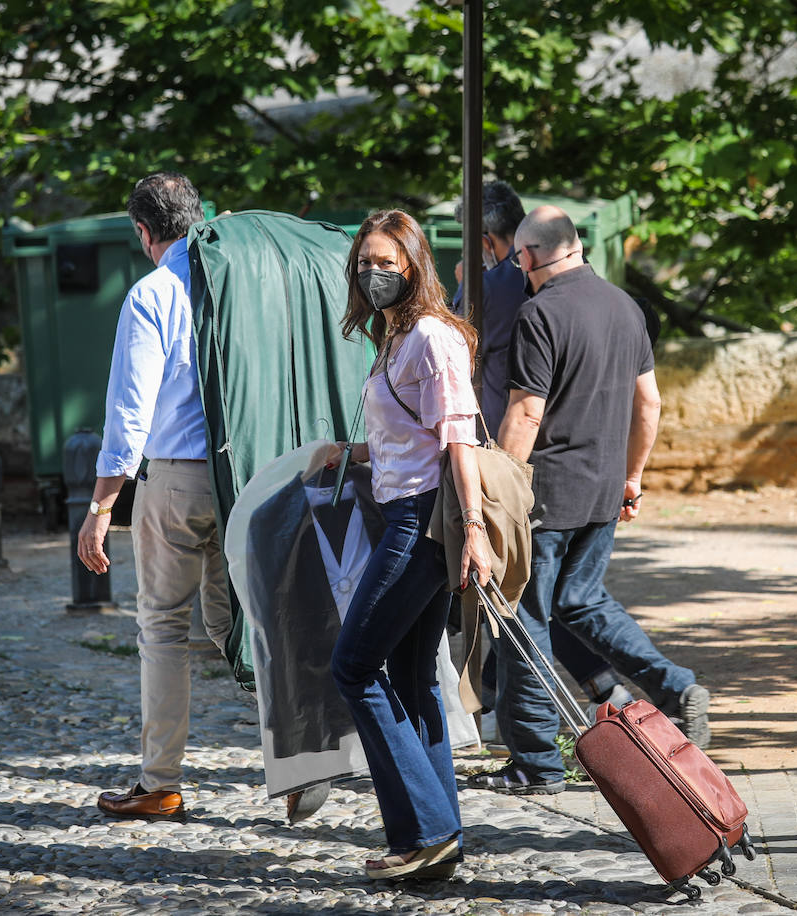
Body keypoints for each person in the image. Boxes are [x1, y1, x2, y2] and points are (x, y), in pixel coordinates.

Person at [468, 205, 710, 796]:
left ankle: (536, 763)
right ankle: (676, 684)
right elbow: (648, 403)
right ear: (576, 247)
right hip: (603, 489)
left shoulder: (539, 312)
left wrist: (496, 487)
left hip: (546, 491)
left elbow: (526, 411)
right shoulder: (625, 307)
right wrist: (632, 477)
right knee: (581, 601)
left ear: (525, 257)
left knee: (524, 621)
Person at [325, 209, 491, 880]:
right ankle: (432, 838)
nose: (372, 274)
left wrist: (474, 530)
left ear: (413, 267)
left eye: (386, 264)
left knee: (353, 668)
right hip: (404, 510)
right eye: (365, 263)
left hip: (422, 524)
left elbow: (460, 440)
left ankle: (426, 828)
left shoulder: (431, 337)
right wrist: (346, 453)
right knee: (413, 678)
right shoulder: (394, 338)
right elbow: (414, 436)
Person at [79, 171, 232, 822]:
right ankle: (305, 765)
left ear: (143, 232)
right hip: (240, 476)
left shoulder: (151, 294)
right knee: (246, 626)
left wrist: (100, 507)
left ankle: (160, 782)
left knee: (164, 629)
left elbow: (129, 415)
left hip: (173, 479)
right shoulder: (233, 287)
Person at [451, 180, 635, 724]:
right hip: (577, 465)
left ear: (486, 239)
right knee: (543, 599)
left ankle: (522, 723)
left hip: (512, 455)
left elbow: (469, 352)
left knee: (521, 597)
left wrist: (501, 481)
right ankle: (600, 689)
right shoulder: (539, 287)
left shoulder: (502, 288)